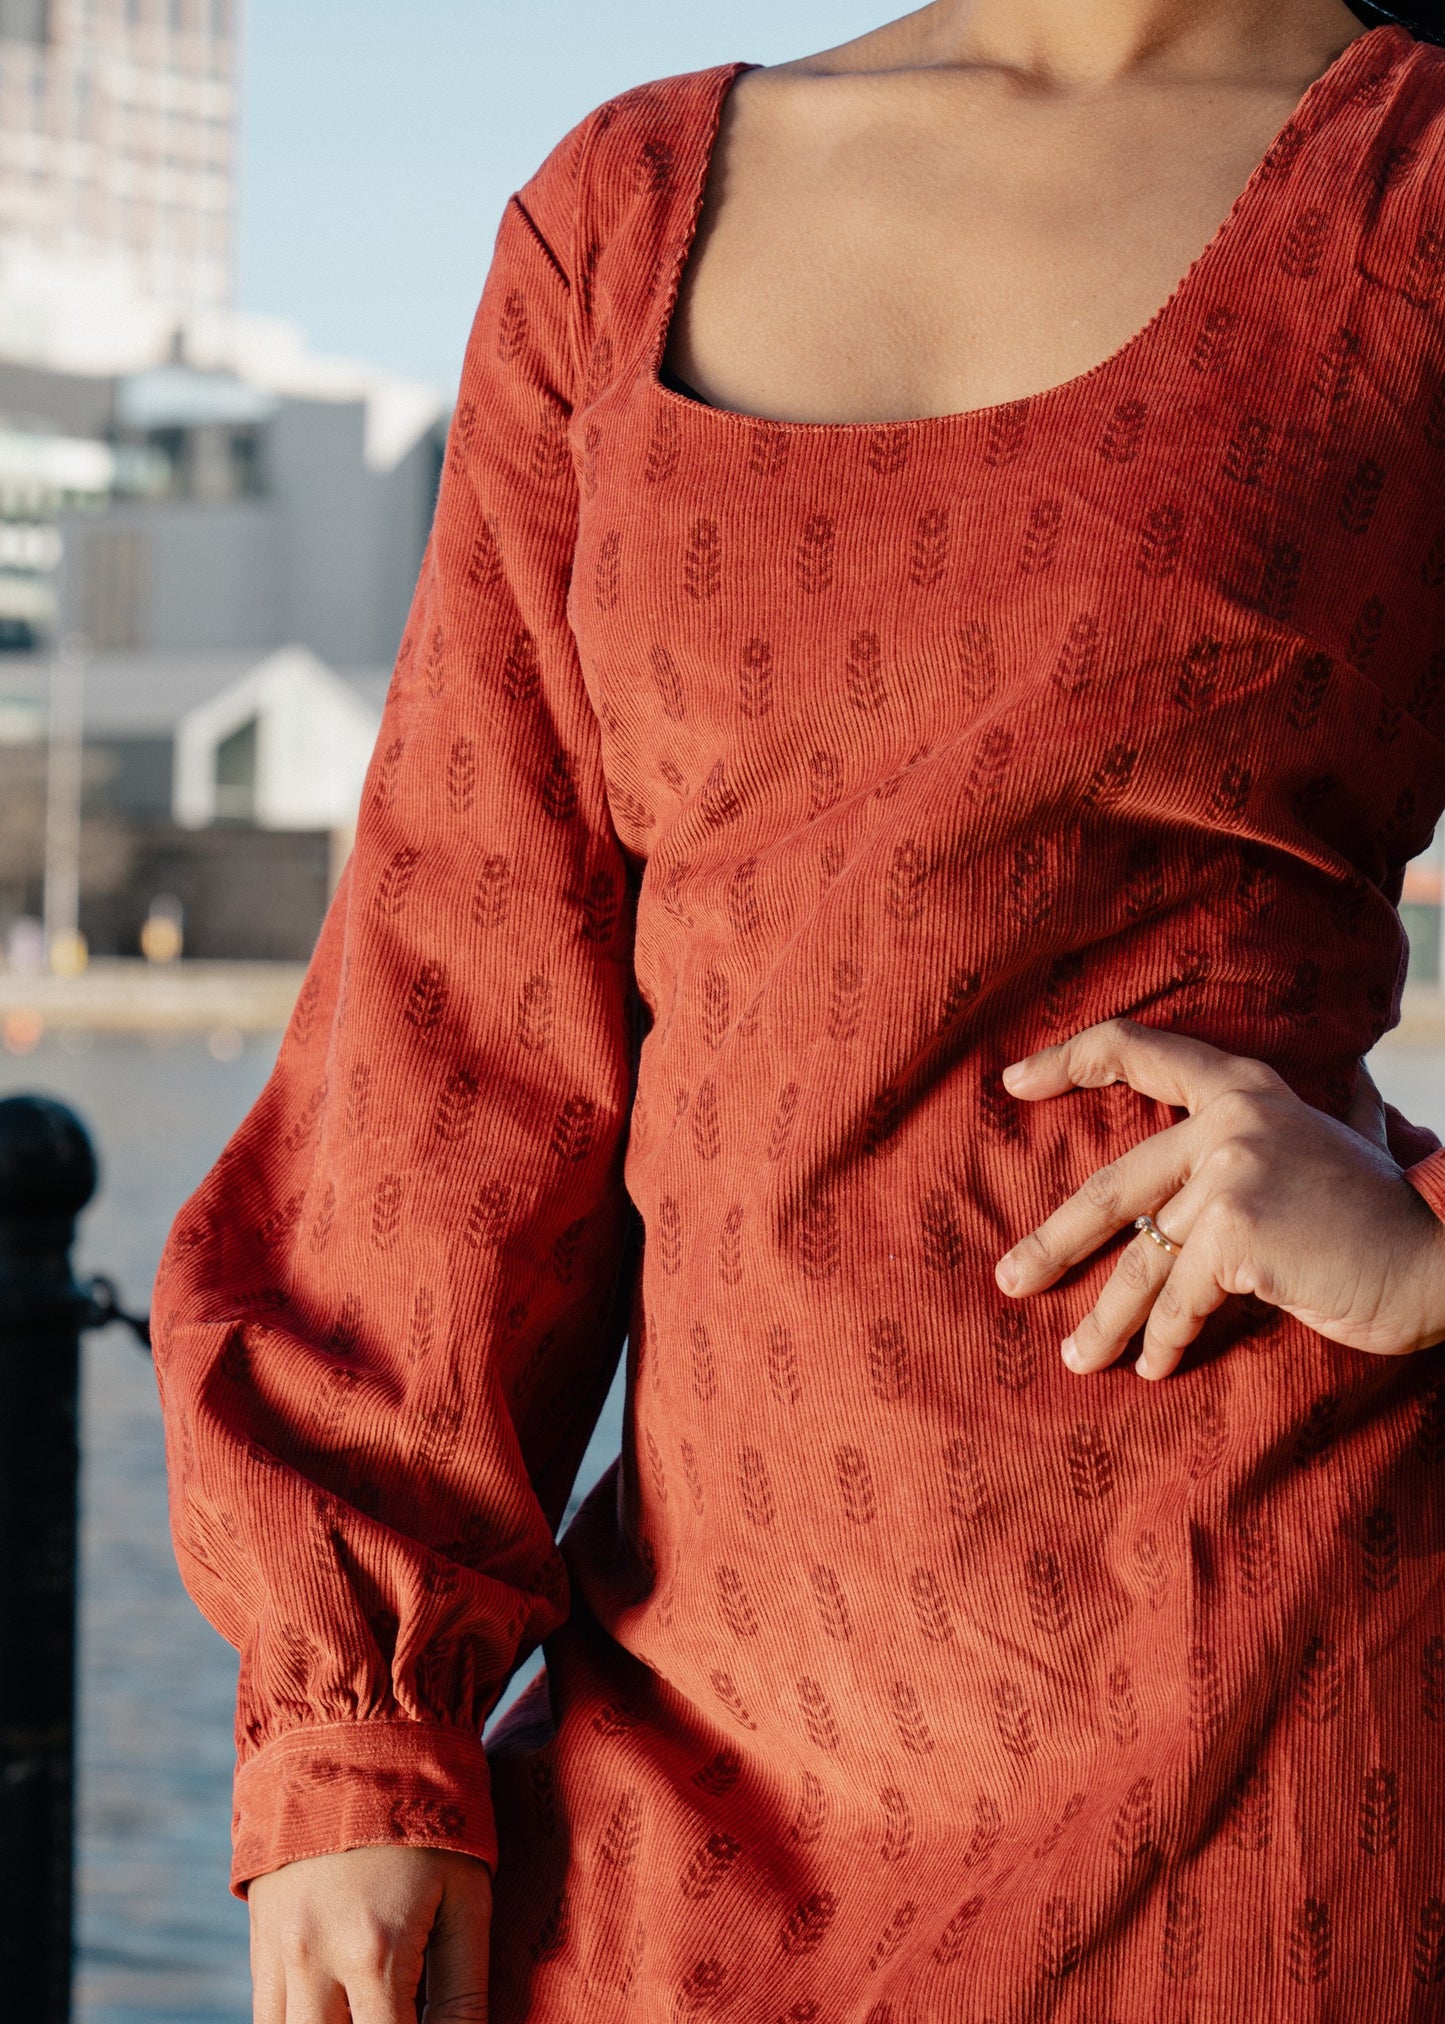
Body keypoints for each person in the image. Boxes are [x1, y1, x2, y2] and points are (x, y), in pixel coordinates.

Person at [151, 0, 1445, 2016]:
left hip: (1269, 1717)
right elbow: (462, 999)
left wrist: (1431, 1251)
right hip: (692, 1750)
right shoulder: (626, 216)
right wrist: (359, 1730)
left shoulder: (1413, 185)